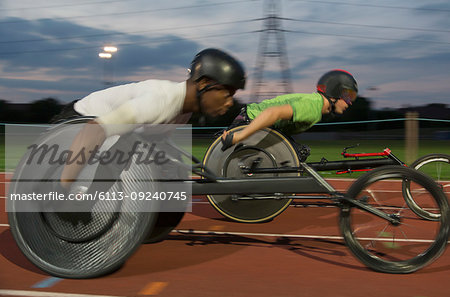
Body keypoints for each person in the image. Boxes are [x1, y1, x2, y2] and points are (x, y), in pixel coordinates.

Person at [49, 48, 246, 192]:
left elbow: (155, 145)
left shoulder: (184, 111)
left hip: (102, 130)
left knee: (132, 152)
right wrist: (63, 188)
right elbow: (93, 130)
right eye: (227, 93)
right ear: (204, 83)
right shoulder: (159, 101)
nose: (230, 103)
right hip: (78, 120)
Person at [221, 69, 358, 150]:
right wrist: (238, 137)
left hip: (257, 124)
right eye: (348, 96)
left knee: (297, 153)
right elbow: (272, 113)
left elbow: (281, 129)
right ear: (336, 92)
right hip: (248, 121)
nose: (350, 102)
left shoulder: (316, 106)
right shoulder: (313, 106)